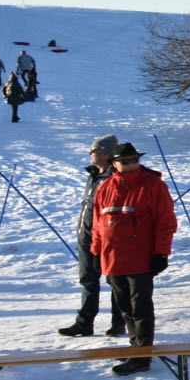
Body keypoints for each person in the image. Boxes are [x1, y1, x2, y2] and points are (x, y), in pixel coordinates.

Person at [92, 142, 176, 376]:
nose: (131, 164)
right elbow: (98, 223)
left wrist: (161, 252)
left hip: (140, 256)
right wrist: (96, 252)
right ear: (114, 163)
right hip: (112, 256)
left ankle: (142, 355)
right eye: (125, 161)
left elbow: (166, 221)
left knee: (140, 306)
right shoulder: (106, 186)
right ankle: (135, 347)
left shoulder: (153, 185)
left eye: (134, 160)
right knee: (124, 306)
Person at [57, 135, 126, 338]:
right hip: (86, 236)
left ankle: (118, 322)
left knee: (115, 281)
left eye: (93, 151)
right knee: (88, 280)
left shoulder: (114, 178)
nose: (90, 154)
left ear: (105, 154)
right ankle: (84, 323)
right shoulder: (93, 175)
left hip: (107, 239)